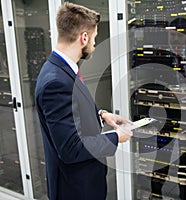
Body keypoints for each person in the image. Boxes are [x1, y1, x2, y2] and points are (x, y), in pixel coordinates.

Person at [35, 2, 132, 200]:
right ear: (84, 37)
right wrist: (116, 137)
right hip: (76, 190)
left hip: (83, 183)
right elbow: (71, 148)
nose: (94, 45)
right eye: (94, 39)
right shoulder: (56, 82)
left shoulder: (61, 68)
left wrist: (102, 114)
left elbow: (73, 109)